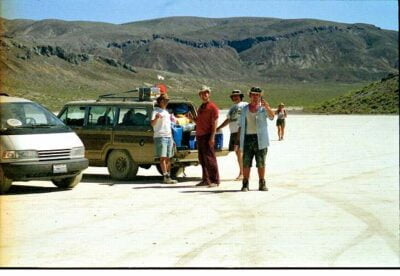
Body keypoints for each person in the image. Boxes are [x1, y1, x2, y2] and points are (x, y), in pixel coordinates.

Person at [238, 87, 275, 192]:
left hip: (261, 138)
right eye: (253, 94)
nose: (255, 97)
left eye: (257, 95)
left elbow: (272, 117)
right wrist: (237, 141)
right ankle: (245, 183)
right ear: (250, 95)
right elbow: (241, 125)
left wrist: (267, 107)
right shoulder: (244, 109)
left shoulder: (263, 109)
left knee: (261, 162)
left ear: (260, 96)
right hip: (247, 138)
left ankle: (262, 183)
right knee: (246, 162)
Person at [216, 90, 248, 180]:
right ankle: (242, 172)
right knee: (238, 153)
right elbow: (228, 120)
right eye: (233, 96)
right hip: (233, 132)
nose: (235, 97)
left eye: (237, 96)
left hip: (241, 131)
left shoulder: (244, 105)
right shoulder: (232, 107)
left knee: (241, 152)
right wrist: (219, 127)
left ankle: (243, 173)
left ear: (240, 96)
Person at [193, 85, 220, 187]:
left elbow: (214, 123)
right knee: (202, 159)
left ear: (209, 94)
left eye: (206, 93)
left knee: (210, 158)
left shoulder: (212, 107)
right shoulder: (201, 107)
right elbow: (199, 121)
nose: (204, 95)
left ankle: (214, 180)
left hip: (207, 135)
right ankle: (206, 179)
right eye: (202, 93)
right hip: (200, 135)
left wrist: (212, 137)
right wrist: (192, 119)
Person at [150, 94, 178, 184]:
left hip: (169, 136)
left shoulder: (166, 112)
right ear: (160, 101)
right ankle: (165, 176)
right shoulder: (155, 111)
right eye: (165, 101)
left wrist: (172, 139)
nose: (166, 102)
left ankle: (168, 175)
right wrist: (156, 118)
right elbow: (152, 124)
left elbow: (169, 125)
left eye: (167, 101)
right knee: (163, 157)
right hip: (160, 136)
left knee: (168, 157)